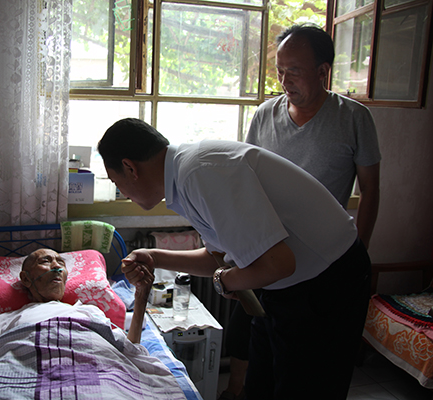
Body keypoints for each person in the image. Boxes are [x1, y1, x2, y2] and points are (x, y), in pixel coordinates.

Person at [98, 117, 372, 400]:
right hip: (286, 285)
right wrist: (154, 256)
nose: (123, 193)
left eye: (116, 182)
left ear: (130, 168)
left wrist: (224, 281)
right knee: (260, 386)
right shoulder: (183, 177)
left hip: (329, 281)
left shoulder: (200, 172)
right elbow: (218, 257)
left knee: (304, 390)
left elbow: (277, 264)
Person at [220, 23, 382, 400]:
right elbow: (248, 186)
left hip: (325, 266)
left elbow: (371, 191)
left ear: (323, 71)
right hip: (271, 259)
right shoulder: (265, 115)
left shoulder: (354, 118)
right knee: (259, 357)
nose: (284, 80)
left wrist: (358, 253)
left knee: (310, 373)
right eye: (280, 70)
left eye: (294, 70)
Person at [0, 248, 174, 400]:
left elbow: (129, 350)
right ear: (26, 279)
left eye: (61, 262)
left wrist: (141, 295)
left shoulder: (89, 312)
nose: (56, 266)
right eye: (46, 261)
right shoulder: (6, 320)